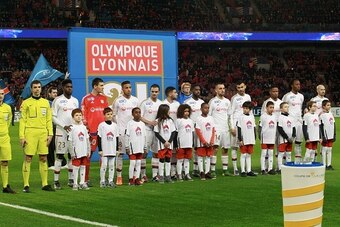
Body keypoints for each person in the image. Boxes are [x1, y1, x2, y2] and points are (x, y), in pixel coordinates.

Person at [19, 80, 55, 192]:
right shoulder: (25, 103)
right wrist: (22, 136)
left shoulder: (46, 103)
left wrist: (50, 134)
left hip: (43, 133)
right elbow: (22, 120)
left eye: (39, 87)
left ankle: (45, 184)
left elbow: (49, 119)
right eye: (35, 87)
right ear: (31, 89)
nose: (37, 89)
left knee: (43, 158)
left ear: (41, 88)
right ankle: (26, 185)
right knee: (28, 158)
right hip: (30, 133)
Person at [52, 79, 79, 189]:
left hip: (72, 133)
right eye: (67, 87)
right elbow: (53, 117)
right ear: (63, 88)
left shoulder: (75, 101)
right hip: (61, 132)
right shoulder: (57, 100)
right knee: (59, 156)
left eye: (71, 87)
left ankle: (71, 179)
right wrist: (64, 126)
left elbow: (77, 116)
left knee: (71, 156)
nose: (69, 88)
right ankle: (56, 181)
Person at [81, 77, 108, 186]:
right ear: (95, 86)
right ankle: (85, 180)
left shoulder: (104, 98)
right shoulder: (86, 99)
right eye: (101, 85)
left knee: (104, 156)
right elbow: (83, 115)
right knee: (88, 156)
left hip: (103, 132)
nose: (102, 87)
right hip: (91, 132)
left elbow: (107, 114)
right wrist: (87, 129)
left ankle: (103, 179)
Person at [112, 81, 139, 185]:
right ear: (122, 89)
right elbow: (113, 115)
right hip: (121, 132)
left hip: (133, 132)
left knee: (135, 153)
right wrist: (118, 126)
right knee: (120, 154)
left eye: (130, 87)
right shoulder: (118, 101)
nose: (128, 89)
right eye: (126, 88)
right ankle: (119, 177)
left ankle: (135, 177)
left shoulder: (135, 100)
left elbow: (138, 115)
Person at [208, 83, 233, 178]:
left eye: (223, 88)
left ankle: (225, 170)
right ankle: (213, 170)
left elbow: (230, 116)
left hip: (225, 129)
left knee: (225, 149)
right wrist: (211, 129)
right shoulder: (213, 101)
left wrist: (232, 127)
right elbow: (209, 116)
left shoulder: (227, 101)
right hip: (216, 129)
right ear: (216, 90)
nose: (222, 90)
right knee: (215, 149)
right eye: (220, 88)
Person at [139, 84, 162, 182]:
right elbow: (140, 116)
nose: (154, 93)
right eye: (152, 91)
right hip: (147, 130)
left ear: (159, 92)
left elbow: (163, 115)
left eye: (156, 92)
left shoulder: (161, 103)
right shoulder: (145, 103)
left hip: (157, 131)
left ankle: (155, 175)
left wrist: (158, 121)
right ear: (150, 91)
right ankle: (143, 175)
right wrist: (150, 122)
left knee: (156, 153)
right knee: (144, 153)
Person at [230, 81, 251, 176]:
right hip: (236, 124)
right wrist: (232, 127)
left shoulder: (248, 97)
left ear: (245, 86)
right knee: (235, 147)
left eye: (242, 87)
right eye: (238, 87)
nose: (240, 89)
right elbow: (231, 113)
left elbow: (250, 112)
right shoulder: (234, 98)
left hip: (246, 126)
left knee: (245, 146)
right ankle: (235, 169)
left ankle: (247, 169)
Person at [184, 85, 204, 177]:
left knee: (198, 148)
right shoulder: (187, 102)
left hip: (200, 129)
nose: (198, 91)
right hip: (190, 128)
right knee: (189, 148)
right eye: (196, 90)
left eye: (199, 90)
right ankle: (185, 170)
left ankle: (196, 169)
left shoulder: (202, 102)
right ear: (192, 91)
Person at [68, 108, 90, 190]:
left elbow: (87, 139)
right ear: (73, 117)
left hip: (84, 150)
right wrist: (72, 153)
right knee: (76, 167)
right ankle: (75, 183)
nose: (78, 117)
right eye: (76, 115)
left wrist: (88, 150)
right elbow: (69, 141)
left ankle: (82, 182)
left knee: (83, 166)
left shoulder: (84, 127)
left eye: (80, 115)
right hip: (76, 151)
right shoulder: (71, 128)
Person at [261, 86, 282, 171]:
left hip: (278, 126)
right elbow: (263, 115)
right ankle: (265, 167)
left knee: (278, 147)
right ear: (270, 92)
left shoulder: (281, 102)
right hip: (269, 128)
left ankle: (277, 166)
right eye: (273, 91)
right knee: (268, 149)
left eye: (277, 91)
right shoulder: (266, 102)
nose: (275, 93)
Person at [282, 79, 304, 163]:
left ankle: (298, 162)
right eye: (296, 84)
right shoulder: (287, 96)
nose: (298, 86)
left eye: (299, 84)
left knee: (298, 142)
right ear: (292, 85)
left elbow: (300, 108)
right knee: (288, 142)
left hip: (299, 121)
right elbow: (283, 107)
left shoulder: (301, 96)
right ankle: (285, 162)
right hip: (290, 122)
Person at [154, 104, 177, 184]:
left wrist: (169, 141)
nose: (169, 112)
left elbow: (173, 132)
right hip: (161, 145)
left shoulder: (170, 120)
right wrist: (164, 142)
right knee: (161, 159)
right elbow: (156, 133)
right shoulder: (157, 121)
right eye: (168, 110)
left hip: (169, 144)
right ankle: (161, 176)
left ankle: (167, 176)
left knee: (168, 159)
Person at [98, 107, 119, 188]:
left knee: (111, 165)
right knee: (104, 165)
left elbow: (117, 137)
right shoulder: (101, 125)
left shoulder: (115, 125)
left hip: (112, 149)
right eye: (108, 114)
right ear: (104, 115)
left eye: (111, 114)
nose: (109, 116)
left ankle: (110, 180)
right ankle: (102, 181)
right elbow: (99, 137)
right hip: (105, 149)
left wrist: (117, 149)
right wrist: (100, 149)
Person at [125, 107, 146, 186]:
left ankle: (136, 178)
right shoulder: (130, 123)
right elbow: (127, 135)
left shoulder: (142, 124)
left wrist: (145, 147)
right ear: (132, 114)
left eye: (139, 112)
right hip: (132, 146)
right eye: (136, 112)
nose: (138, 114)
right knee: (133, 162)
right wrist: (127, 146)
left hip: (140, 146)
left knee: (138, 162)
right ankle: (130, 179)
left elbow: (144, 136)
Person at [0, 88, 16, 193]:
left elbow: (9, 120)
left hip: (4, 138)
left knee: (5, 161)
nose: (0, 95)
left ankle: (5, 186)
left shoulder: (7, 108)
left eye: (2, 94)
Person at [195, 102, 215, 180]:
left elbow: (213, 130)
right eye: (205, 108)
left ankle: (207, 172)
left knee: (208, 156)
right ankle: (201, 172)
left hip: (209, 141)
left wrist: (212, 141)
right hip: (201, 142)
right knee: (200, 156)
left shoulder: (211, 118)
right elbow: (198, 131)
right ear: (201, 109)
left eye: (208, 108)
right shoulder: (198, 118)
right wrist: (203, 141)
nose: (207, 109)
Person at [163, 86, 180, 179]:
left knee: (174, 151)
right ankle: (164, 172)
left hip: (175, 130)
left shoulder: (177, 104)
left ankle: (173, 172)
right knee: (165, 151)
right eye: (175, 92)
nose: (176, 94)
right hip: (165, 130)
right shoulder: (163, 104)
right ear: (170, 94)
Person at [237, 101, 256, 177]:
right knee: (243, 154)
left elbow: (254, 127)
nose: (245, 109)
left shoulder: (252, 117)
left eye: (247, 108)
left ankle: (249, 170)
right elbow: (239, 128)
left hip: (250, 139)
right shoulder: (241, 117)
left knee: (248, 155)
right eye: (244, 108)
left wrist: (254, 137)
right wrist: (240, 139)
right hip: (244, 139)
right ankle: (242, 171)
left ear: (250, 109)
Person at [176, 104, 194, 181]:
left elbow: (192, 132)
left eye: (188, 111)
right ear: (181, 112)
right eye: (185, 111)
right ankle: (179, 174)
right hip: (181, 143)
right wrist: (176, 144)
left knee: (187, 159)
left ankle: (187, 174)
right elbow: (175, 132)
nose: (187, 113)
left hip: (189, 143)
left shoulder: (191, 121)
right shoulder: (178, 120)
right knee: (180, 160)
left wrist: (193, 143)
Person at [277, 102, 296, 173]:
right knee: (281, 153)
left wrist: (293, 136)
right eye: (285, 107)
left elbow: (294, 128)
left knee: (289, 153)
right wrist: (287, 137)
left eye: (288, 107)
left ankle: (288, 167)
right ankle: (280, 168)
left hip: (290, 139)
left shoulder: (291, 117)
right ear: (281, 109)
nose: (287, 108)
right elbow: (280, 129)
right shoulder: (280, 117)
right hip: (283, 139)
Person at [258, 101, 277, 175]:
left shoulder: (275, 116)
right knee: (263, 153)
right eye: (270, 107)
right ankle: (263, 169)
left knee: (271, 153)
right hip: (265, 137)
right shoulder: (263, 116)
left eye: (273, 107)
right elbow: (259, 127)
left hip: (272, 138)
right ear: (266, 108)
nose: (272, 109)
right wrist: (260, 136)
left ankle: (270, 169)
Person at [319, 100, 336, 170]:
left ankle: (329, 165)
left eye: (330, 105)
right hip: (325, 135)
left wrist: (334, 134)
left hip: (331, 134)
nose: (329, 106)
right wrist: (322, 136)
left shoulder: (331, 114)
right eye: (328, 105)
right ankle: (324, 164)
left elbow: (334, 124)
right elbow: (320, 126)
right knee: (324, 149)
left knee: (330, 149)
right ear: (323, 106)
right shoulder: (321, 115)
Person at [46, 86, 58, 168]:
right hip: (49, 126)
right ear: (49, 93)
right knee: (50, 145)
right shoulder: (46, 102)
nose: (55, 94)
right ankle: (50, 164)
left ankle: (62, 162)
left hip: (57, 126)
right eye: (53, 92)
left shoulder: (57, 102)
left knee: (57, 144)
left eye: (56, 93)